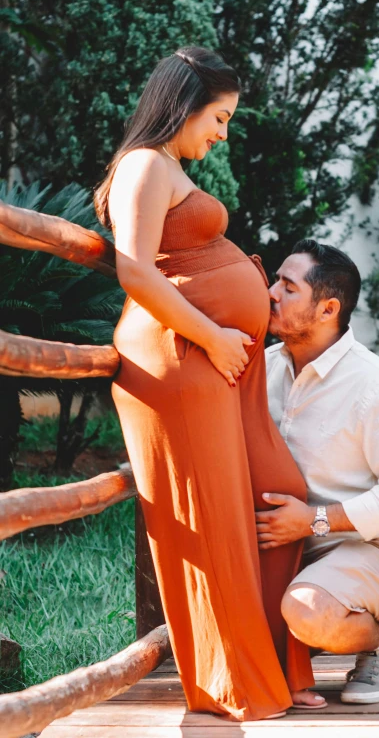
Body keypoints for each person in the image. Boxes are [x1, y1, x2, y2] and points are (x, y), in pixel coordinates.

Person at [94, 47, 326, 721]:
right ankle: (233, 681)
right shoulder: (144, 165)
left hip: (217, 363)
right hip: (181, 358)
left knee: (275, 491)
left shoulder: (166, 167)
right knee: (214, 521)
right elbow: (135, 271)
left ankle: (276, 665)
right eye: (219, 117)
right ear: (184, 104)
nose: (222, 133)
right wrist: (210, 332)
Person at [257, 239, 379, 704]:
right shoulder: (261, 368)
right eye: (275, 280)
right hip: (293, 545)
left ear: (327, 309)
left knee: (308, 611)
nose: (271, 293)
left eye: (288, 286)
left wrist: (315, 520)